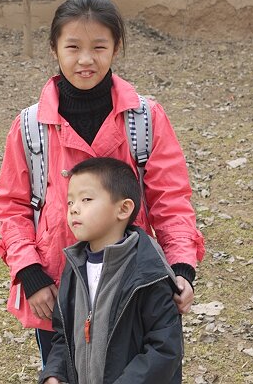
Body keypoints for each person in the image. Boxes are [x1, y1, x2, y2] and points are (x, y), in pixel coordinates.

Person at [0, 0, 204, 365]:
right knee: (64, 369)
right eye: (72, 46)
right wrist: (31, 274)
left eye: (99, 47)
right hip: (56, 287)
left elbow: (171, 200)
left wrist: (182, 267)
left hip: (134, 285)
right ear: (54, 48)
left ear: (116, 48)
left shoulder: (145, 119)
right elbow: (12, 206)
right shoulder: (29, 127)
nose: (85, 59)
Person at [40, 157, 183, 384]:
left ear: (123, 209)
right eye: (70, 202)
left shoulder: (147, 273)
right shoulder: (74, 267)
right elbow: (62, 336)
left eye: (86, 199)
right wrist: (54, 374)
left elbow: (165, 348)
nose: (74, 209)